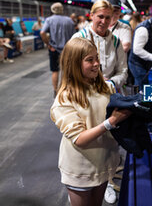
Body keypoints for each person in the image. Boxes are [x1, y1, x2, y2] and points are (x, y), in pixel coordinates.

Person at [50, 37, 131, 206]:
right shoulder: (65, 98)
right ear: (74, 64)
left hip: (103, 163)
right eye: (90, 60)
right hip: (80, 168)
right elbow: (79, 139)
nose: (96, 64)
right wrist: (111, 122)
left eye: (97, 58)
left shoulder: (106, 87)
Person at [71, 0, 128, 93]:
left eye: (108, 18)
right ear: (92, 15)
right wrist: (95, 82)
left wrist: (111, 83)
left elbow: (122, 71)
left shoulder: (116, 41)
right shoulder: (79, 38)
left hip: (108, 91)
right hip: (83, 92)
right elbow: (70, 70)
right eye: (100, 16)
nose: (104, 21)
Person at [40, 2, 75, 96]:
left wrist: (49, 44)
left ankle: (55, 91)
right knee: (67, 71)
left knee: (55, 71)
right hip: (67, 49)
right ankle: (65, 90)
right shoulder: (69, 21)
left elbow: (42, 33)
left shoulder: (49, 20)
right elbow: (74, 36)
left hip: (54, 49)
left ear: (52, 10)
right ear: (62, 10)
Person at [128, 7, 152, 90]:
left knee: (142, 84)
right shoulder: (143, 28)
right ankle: (138, 101)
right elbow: (137, 50)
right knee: (142, 85)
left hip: (145, 63)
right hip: (137, 63)